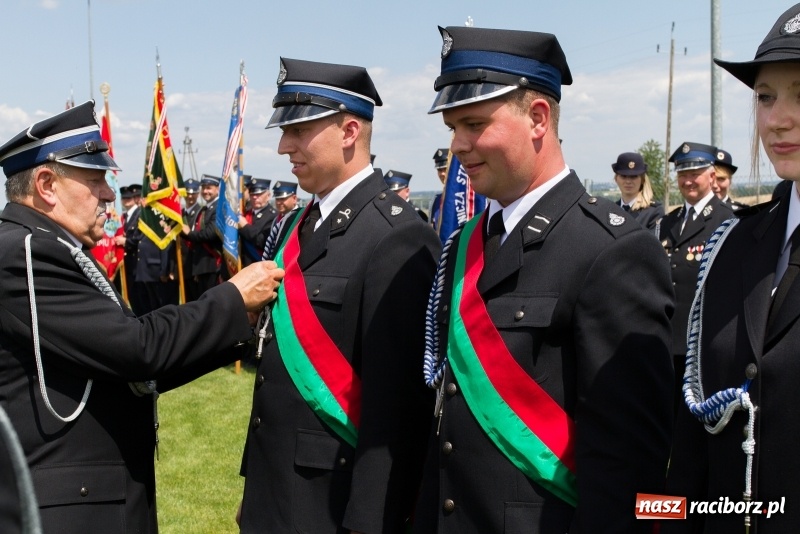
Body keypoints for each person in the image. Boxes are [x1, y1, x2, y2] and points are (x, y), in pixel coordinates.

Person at [413, 26, 674, 533]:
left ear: (538, 118)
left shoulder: (612, 250)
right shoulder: (466, 244)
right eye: (452, 127)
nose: (458, 146)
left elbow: (628, 469)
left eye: (473, 124)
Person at [0, 101, 284, 534]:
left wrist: (239, 324)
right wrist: (232, 298)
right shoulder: (27, 253)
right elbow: (136, 349)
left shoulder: (45, 245)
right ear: (46, 184)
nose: (109, 194)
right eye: (95, 180)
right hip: (74, 508)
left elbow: (129, 366)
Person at [237, 57, 441, 534]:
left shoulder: (398, 237)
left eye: (299, 129)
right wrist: (255, 488)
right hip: (275, 488)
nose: (284, 145)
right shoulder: (294, 226)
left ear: (350, 131)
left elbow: (397, 414)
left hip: (333, 503)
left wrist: (370, 523)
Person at [664, 5, 800, 532]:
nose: (777, 118)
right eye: (765, 96)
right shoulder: (735, 244)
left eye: (799, 95)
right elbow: (696, 435)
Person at [657, 142, 734, 408]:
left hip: (704, 342)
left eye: (694, 174)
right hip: (668, 341)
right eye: (682, 175)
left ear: (712, 177)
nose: (688, 181)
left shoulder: (728, 221)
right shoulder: (668, 222)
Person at [181, 174, 223, 296]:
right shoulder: (205, 209)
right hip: (202, 266)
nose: (205, 191)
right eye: (203, 188)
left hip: (212, 265)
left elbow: (209, 233)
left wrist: (188, 232)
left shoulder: (219, 208)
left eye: (209, 188)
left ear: (217, 189)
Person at [612, 151, 664, 229]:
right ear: (616, 179)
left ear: (642, 180)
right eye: (623, 176)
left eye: (633, 176)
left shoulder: (653, 212)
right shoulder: (611, 209)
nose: (628, 181)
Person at [237, 176, 277, 267]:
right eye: (252, 194)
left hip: (257, 265)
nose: (255, 197)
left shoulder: (273, 216)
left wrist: (245, 226)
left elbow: (262, 241)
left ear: (268, 196)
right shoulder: (245, 213)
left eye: (259, 194)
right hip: (241, 266)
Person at [180, 178, 201, 301]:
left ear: (198, 194)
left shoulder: (200, 212)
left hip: (195, 264)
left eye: (193, 194)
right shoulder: (180, 214)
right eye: (187, 194)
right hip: (183, 264)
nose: (190, 197)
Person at [430, 148, 449, 229]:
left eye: (445, 169)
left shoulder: (465, 198)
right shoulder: (437, 199)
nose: (442, 174)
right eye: (439, 170)